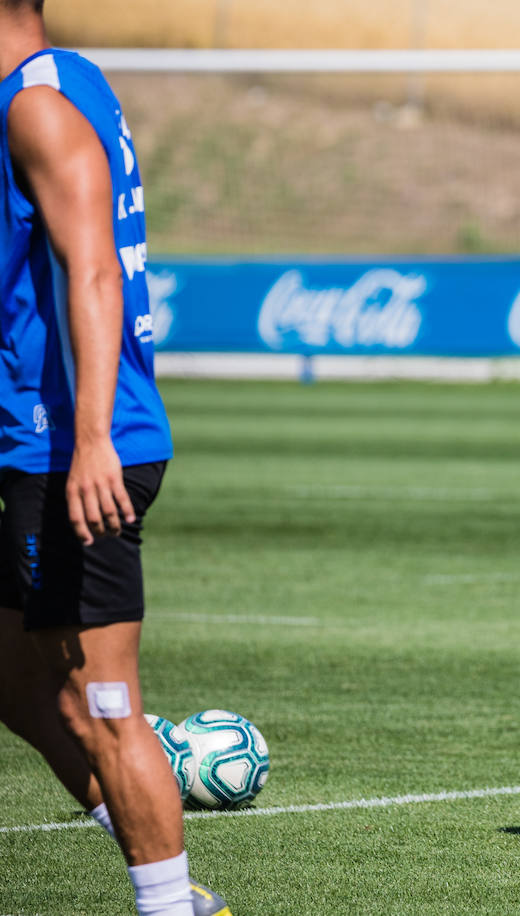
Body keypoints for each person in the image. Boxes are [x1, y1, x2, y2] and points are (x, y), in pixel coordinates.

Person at [0, 3, 226, 914]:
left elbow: (91, 269)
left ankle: (170, 905)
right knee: (17, 680)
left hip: (79, 452)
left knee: (105, 705)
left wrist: (90, 437)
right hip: (46, 444)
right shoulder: (60, 81)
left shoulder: (37, 104)